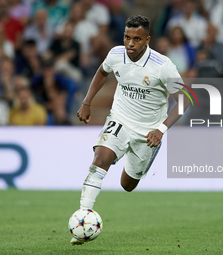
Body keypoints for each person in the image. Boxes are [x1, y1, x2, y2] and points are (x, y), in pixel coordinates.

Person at [73, 15, 188, 245]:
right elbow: (102, 72)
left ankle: (136, 163)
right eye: (127, 37)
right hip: (120, 120)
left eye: (137, 39)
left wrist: (161, 129)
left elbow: (186, 101)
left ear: (147, 40)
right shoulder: (116, 54)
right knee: (100, 160)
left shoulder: (163, 66)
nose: (130, 44)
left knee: (128, 185)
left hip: (148, 133)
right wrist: (87, 102)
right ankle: (83, 217)